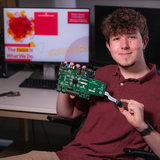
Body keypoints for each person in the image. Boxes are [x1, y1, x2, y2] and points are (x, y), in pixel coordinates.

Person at [1, 8, 160, 160]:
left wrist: (143, 127)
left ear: (144, 42)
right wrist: (66, 86)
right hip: (67, 156)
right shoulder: (101, 74)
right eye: (116, 38)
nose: (124, 45)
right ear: (108, 46)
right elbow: (67, 115)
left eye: (131, 37)